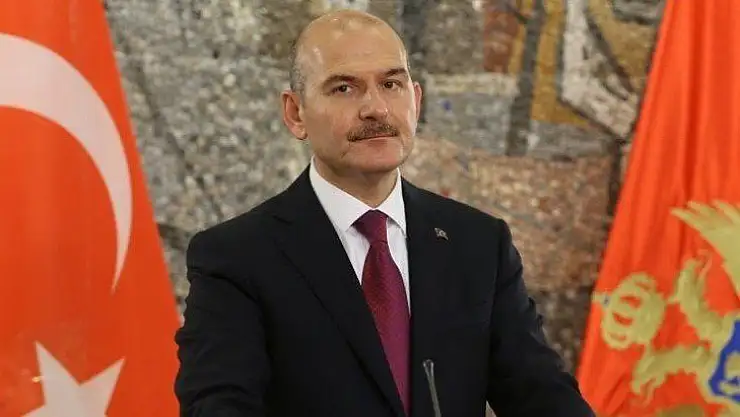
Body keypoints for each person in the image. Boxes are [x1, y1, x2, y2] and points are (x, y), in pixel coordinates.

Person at [174, 9, 595, 417]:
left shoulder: (479, 244)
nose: (376, 108)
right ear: (295, 113)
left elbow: (542, 395)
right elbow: (217, 406)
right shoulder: (237, 258)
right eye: (344, 88)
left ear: (416, 100)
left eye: (391, 84)